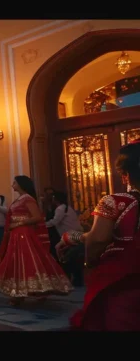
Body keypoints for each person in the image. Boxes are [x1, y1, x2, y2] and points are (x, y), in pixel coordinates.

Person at [57, 140, 140, 330]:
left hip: (123, 280)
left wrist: (89, 260)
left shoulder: (115, 202)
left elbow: (98, 239)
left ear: (125, 175)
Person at [0, 175, 72, 306]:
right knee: (17, 262)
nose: (12, 185)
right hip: (16, 234)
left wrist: (18, 223)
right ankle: (20, 292)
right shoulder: (19, 199)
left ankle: (26, 293)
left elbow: (37, 217)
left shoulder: (28, 199)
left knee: (27, 261)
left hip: (24, 234)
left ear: (21, 184)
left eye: (14, 182)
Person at [46, 190, 84, 287]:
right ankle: (75, 278)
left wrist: (42, 225)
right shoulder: (67, 208)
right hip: (76, 234)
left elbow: (55, 221)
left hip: (70, 235)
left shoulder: (60, 209)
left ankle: (69, 277)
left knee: (63, 253)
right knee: (73, 256)